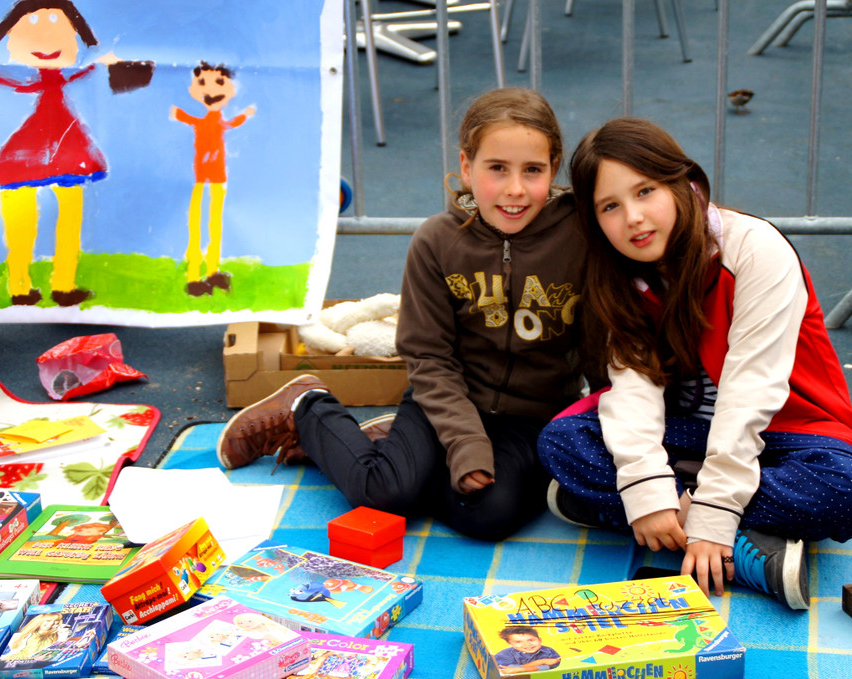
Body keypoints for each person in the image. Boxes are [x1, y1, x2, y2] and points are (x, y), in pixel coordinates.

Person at [538, 118, 852, 610]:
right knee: (562, 441)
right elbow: (634, 392)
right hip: (686, 431)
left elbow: (751, 393)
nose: (633, 218)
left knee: (851, 490)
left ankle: (664, 514)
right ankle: (745, 542)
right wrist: (651, 489)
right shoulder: (618, 274)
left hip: (785, 431)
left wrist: (708, 511)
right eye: (610, 206)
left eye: (645, 191)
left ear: (682, 182)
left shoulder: (754, 248)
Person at [216, 87, 588, 541]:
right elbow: (429, 357)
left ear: (553, 167)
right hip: (446, 397)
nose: (515, 189)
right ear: (466, 167)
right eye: (497, 168)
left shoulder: (580, 238)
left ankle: (386, 455)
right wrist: (464, 442)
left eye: (533, 170)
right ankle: (307, 408)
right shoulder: (437, 240)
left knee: (489, 516)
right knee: (386, 495)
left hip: (532, 417)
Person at [0, 0, 125, 306]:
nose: (47, 42)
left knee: (70, 216)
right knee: (23, 217)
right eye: (31, 27)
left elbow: (76, 74)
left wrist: (102, 63)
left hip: (66, 147)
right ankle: (20, 286)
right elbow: (19, 83)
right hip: (27, 151)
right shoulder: (27, 78)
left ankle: (62, 284)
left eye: (61, 30)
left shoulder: (67, 76)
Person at [170, 61, 255, 297]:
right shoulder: (206, 120)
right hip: (201, 178)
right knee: (198, 224)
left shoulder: (216, 119)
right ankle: (194, 276)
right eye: (202, 82)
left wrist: (245, 116)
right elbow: (197, 121)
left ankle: (212, 271)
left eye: (219, 82)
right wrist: (179, 115)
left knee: (214, 224)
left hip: (217, 177)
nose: (211, 90)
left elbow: (228, 124)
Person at [494, 626, 561, 674]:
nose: (527, 644)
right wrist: (541, 662)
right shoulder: (504, 654)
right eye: (518, 642)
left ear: (540, 640)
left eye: (531, 640)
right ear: (510, 644)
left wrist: (519, 669)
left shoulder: (548, 651)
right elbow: (506, 669)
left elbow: (553, 667)